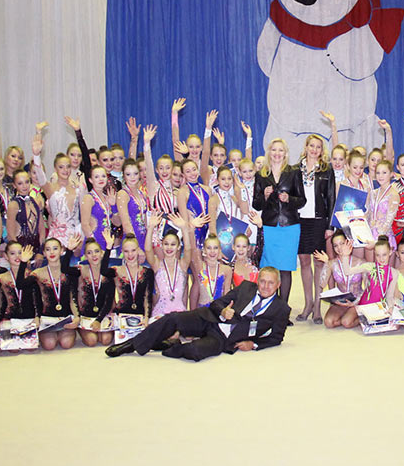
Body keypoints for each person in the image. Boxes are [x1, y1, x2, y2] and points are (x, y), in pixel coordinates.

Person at [105, 266, 289, 361]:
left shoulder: (281, 309)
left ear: (278, 285)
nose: (265, 286)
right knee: (173, 318)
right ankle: (131, 345)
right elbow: (217, 303)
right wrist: (223, 310)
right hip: (210, 319)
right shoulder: (246, 287)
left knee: (195, 351)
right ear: (257, 281)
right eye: (262, 281)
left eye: (270, 283)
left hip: (224, 339)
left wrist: (254, 344)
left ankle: (170, 346)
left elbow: (276, 338)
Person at [253, 138, 305, 306]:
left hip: (289, 227)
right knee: (268, 269)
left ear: (285, 153)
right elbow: (256, 204)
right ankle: (267, 307)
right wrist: (264, 196)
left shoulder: (294, 172)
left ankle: (282, 309)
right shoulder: (261, 174)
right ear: (269, 152)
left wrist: (289, 198)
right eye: (274, 150)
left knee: (285, 269)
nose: (277, 153)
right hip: (269, 227)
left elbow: (302, 200)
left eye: (280, 150)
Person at [295, 133, 335, 323]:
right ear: (306, 147)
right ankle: (308, 304)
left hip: (319, 220)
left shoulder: (326, 170)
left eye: (318, 147)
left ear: (321, 150)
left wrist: (329, 225)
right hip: (300, 221)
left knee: (319, 263)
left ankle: (318, 307)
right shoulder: (295, 170)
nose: (314, 149)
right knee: (304, 262)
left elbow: (331, 198)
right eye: (311, 146)